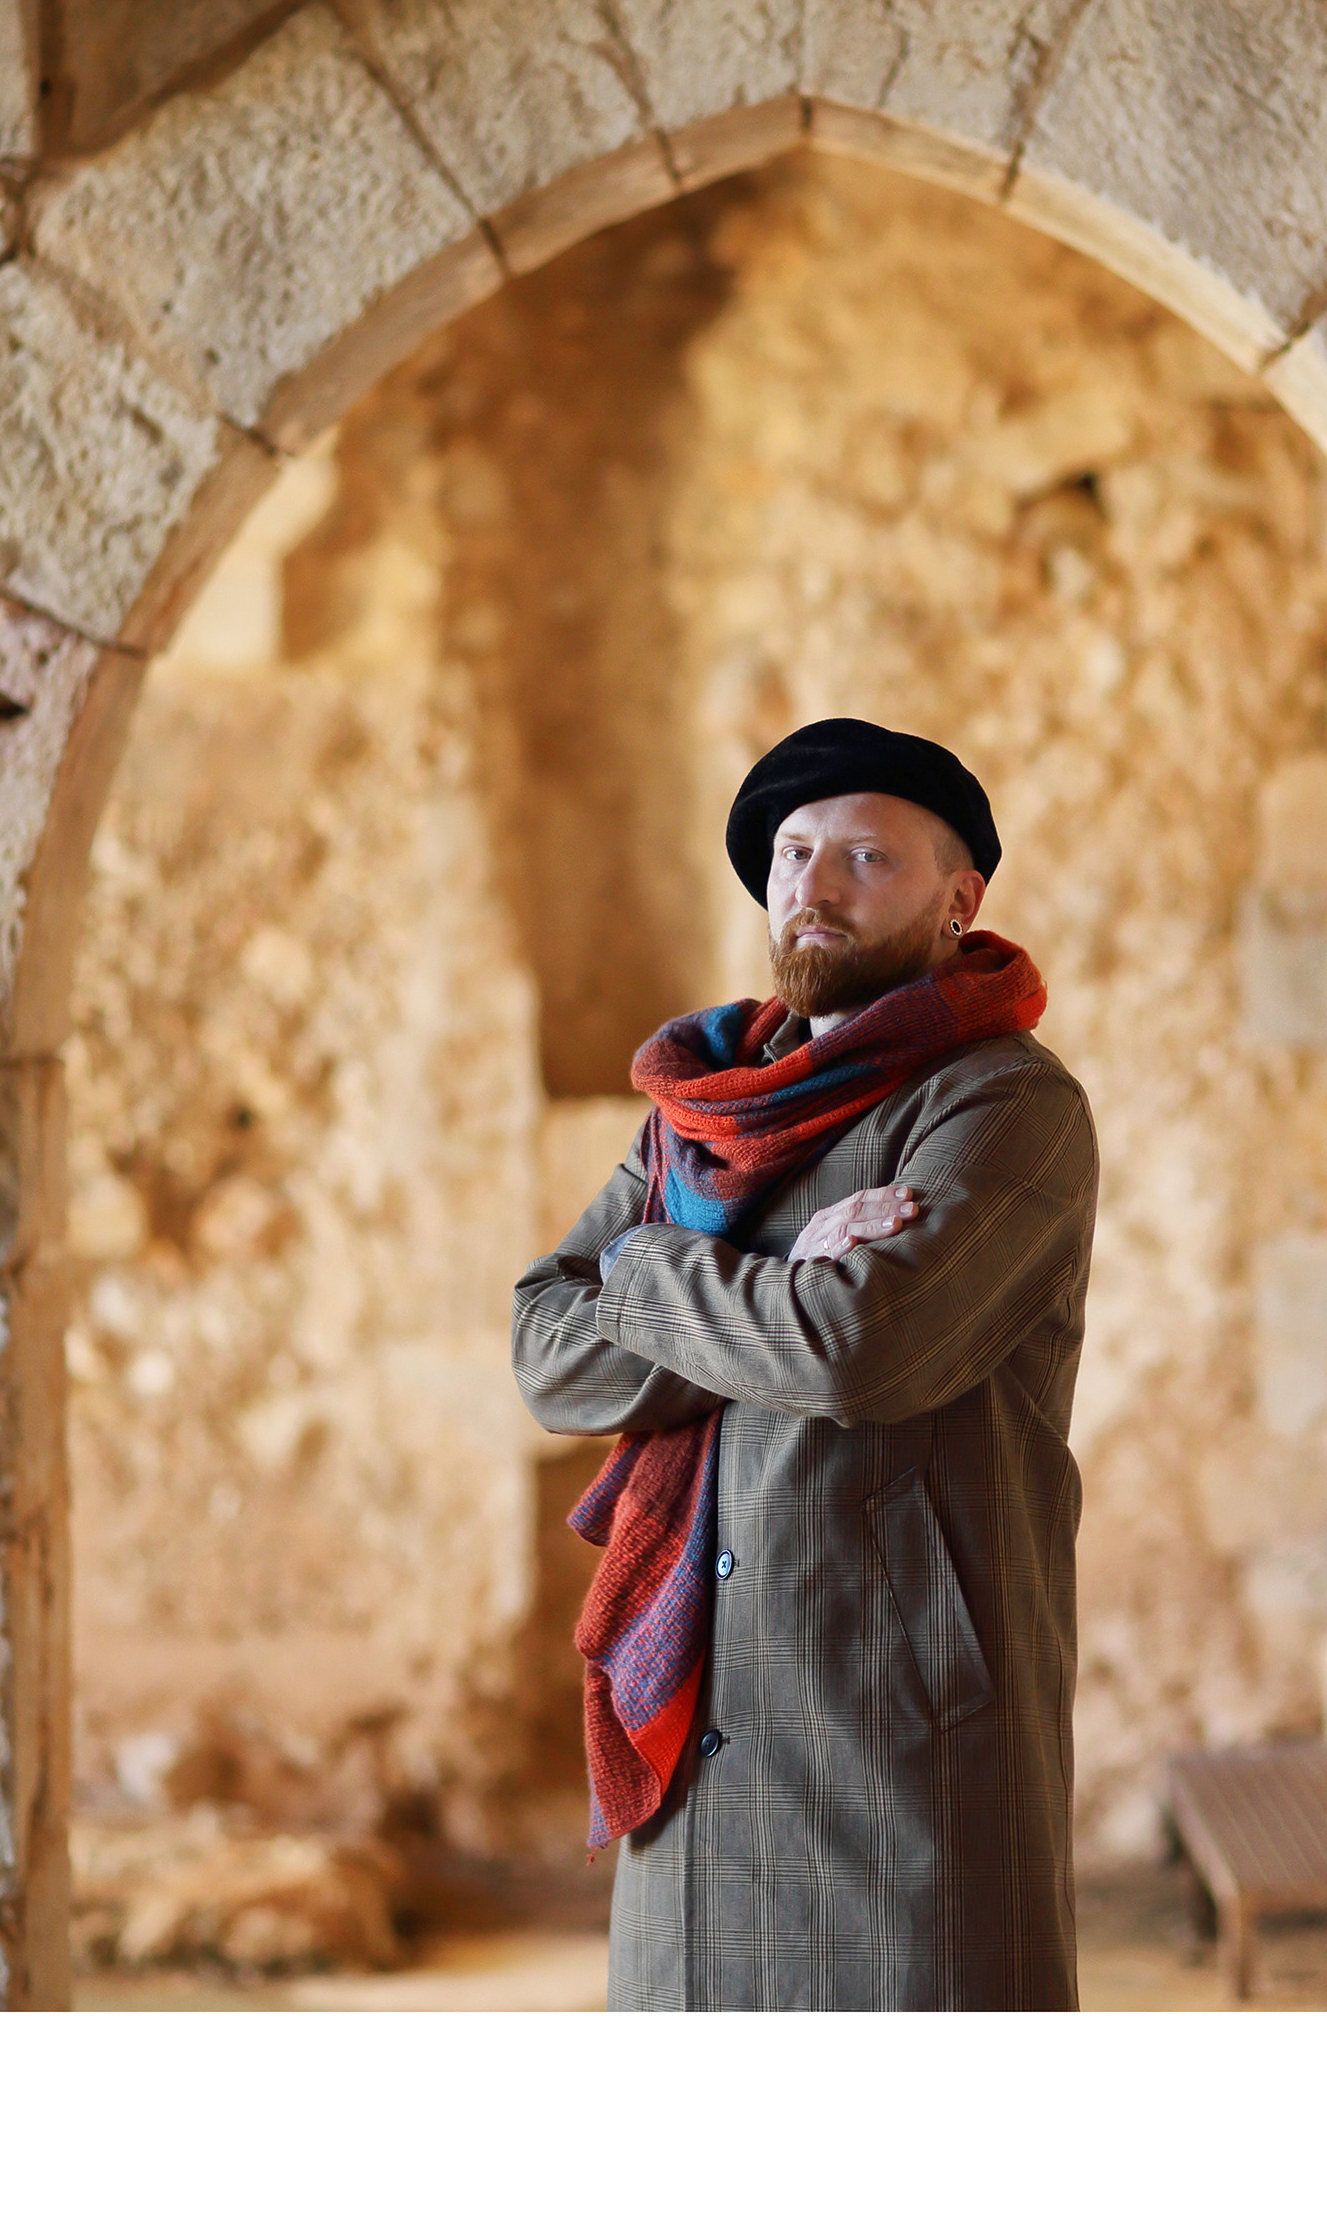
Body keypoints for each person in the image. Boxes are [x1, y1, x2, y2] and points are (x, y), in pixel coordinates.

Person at [511, 716, 1099, 2010]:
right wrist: (774, 1276)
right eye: (792, 852)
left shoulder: (1005, 1107)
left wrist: (651, 1266)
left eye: (866, 858)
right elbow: (545, 1351)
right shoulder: (701, 1110)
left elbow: (856, 1348)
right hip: (697, 1767)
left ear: (958, 904)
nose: (814, 886)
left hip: (898, 1758)